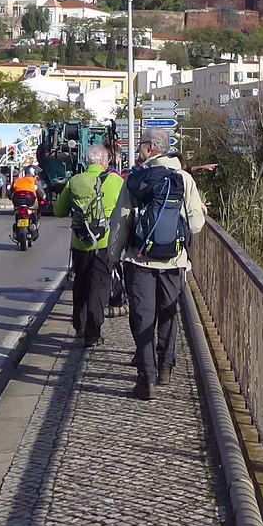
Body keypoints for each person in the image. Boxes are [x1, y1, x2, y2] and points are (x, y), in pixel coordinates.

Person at [115, 129, 208, 400]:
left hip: (139, 259)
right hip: (174, 260)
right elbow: (196, 225)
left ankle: (147, 379)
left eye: (141, 145)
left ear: (150, 148)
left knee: (142, 316)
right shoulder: (184, 178)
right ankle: (166, 367)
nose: (139, 150)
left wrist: (113, 256)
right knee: (168, 313)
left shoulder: (136, 178)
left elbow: (122, 221)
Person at [53, 143, 122, 346]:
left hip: (80, 243)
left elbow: (59, 211)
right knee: (99, 287)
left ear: (87, 161)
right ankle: (93, 334)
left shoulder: (74, 180)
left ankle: (79, 326)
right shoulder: (115, 181)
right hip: (104, 243)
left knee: (81, 284)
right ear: (104, 161)